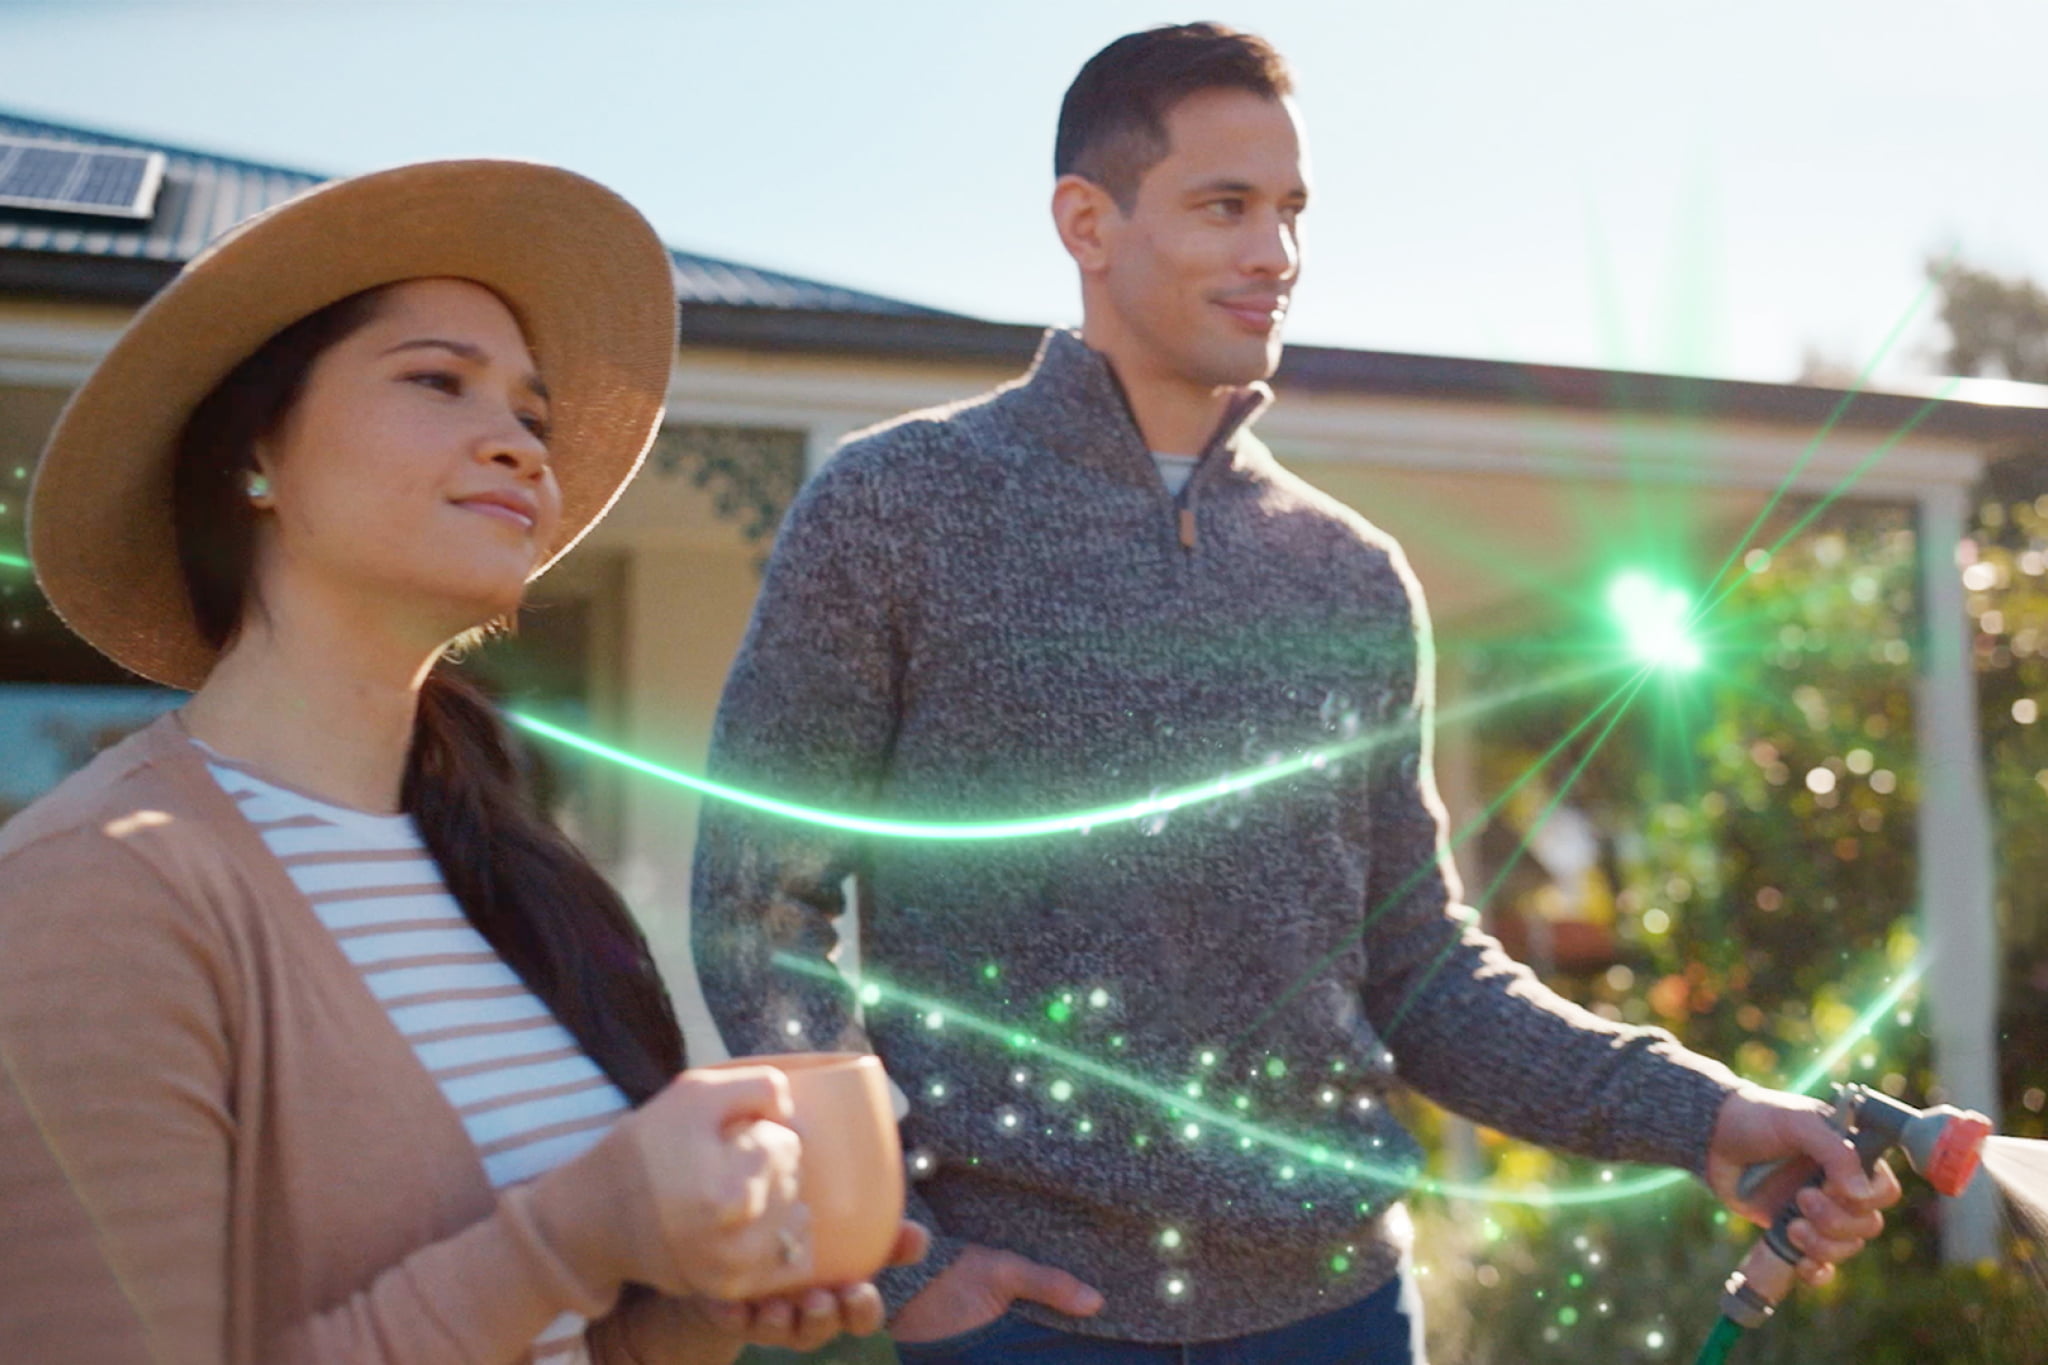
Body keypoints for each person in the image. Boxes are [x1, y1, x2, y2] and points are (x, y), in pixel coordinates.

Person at [689, 24, 1896, 1363]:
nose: (1277, 255)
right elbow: (760, 901)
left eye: (1292, 211)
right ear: (1087, 222)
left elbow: (1422, 971)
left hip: (1342, 1317)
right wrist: (902, 1251)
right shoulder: (892, 509)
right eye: (1226, 207)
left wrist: (1704, 1112)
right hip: (1017, 1325)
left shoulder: (1350, 576)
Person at [0, 159, 922, 1365]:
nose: (521, 449)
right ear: (254, 457)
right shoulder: (92, 893)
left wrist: (684, 1301)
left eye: (532, 418)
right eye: (437, 382)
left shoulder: (505, 869)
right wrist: (578, 1238)